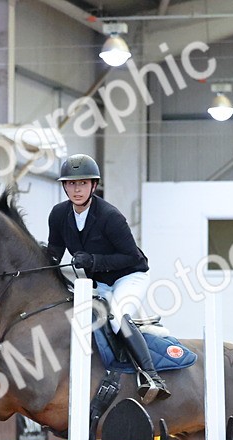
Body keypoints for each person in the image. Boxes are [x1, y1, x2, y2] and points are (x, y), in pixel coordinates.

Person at [44, 154, 169, 403]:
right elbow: (53, 254)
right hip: (97, 284)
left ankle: (151, 376)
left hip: (129, 276)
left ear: (93, 185)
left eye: (82, 183)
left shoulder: (110, 216)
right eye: (71, 183)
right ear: (64, 186)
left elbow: (130, 255)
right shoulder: (59, 215)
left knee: (116, 316)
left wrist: (93, 261)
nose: (76, 189)